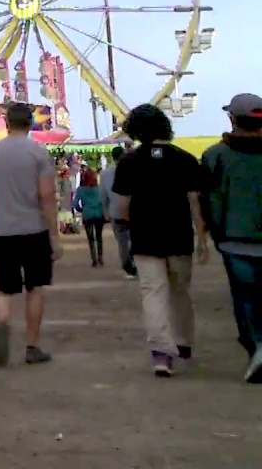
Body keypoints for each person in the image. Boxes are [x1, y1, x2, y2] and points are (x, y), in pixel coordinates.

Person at [111, 103, 208, 378]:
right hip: (179, 236)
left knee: (153, 294)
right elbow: (194, 203)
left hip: (145, 238)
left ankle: (161, 354)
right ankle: (183, 341)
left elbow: (121, 206)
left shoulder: (129, 162)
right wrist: (201, 238)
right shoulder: (186, 159)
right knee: (180, 292)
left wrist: (133, 225)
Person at [0, 102, 61, 367]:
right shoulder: (38, 154)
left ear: (7, 123)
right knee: (35, 287)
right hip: (33, 229)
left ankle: (3, 322)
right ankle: (32, 345)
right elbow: (46, 195)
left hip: (1, 230)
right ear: (30, 124)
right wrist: (54, 236)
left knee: (4, 289)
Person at [200, 93, 262, 383]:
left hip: (234, 238)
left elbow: (210, 198)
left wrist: (212, 230)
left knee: (245, 297)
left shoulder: (215, 155)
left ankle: (255, 348)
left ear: (232, 119)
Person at [99, 145, 137, 278]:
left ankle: (127, 265)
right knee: (134, 238)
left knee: (121, 241)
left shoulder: (105, 174)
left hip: (115, 211)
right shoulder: (132, 169)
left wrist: (105, 211)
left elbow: (103, 195)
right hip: (132, 209)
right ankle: (133, 263)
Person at [74, 169, 107, 268]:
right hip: (98, 213)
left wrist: (81, 209)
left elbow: (75, 204)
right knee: (99, 237)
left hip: (87, 214)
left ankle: (94, 259)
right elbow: (103, 201)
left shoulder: (81, 189)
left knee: (91, 238)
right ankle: (100, 257)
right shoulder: (99, 188)